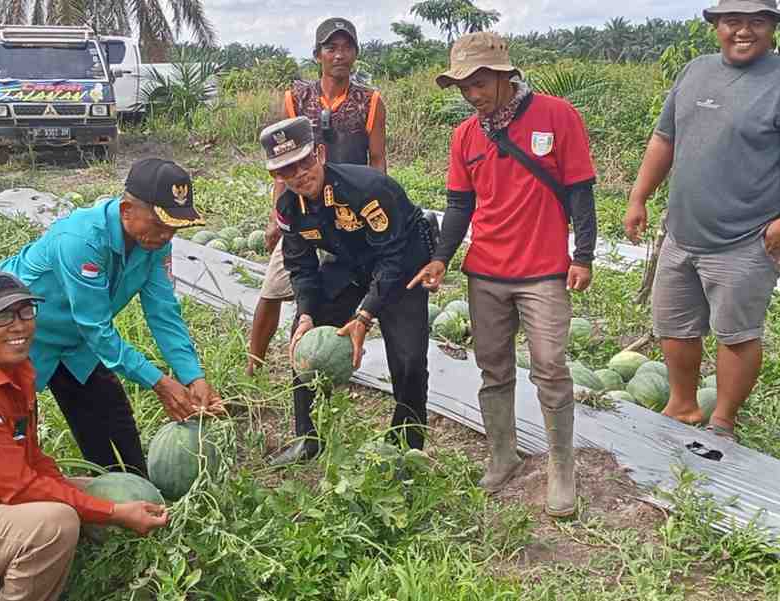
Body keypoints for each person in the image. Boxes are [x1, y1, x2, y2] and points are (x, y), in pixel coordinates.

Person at [624, 0, 780, 442]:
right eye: (733, 21)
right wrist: (638, 195)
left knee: (736, 333)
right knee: (673, 325)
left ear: (772, 28)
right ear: (717, 27)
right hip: (682, 231)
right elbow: (664, 138)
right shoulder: (695, 72)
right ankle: (683, 405)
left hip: (745, 238)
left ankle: (722, 421)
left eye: (757, 22)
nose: (744, 31)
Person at [409, 31, 599, 518]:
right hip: (486, 273)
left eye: (478, 83)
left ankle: (561, 468)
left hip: (543, 273)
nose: (471, 94)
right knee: (493, 368)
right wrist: (441, 257)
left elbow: (580, 190)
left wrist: (584, 255)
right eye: (463, 87)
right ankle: (503, 453)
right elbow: (459, 204)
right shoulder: (465, 136)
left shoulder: (557, 116)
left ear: (502, 74)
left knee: (551, 368)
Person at [0, 270, 169, 601]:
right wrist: (113, 513)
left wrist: (99, 501)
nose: (19, 325)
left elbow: (32, 459)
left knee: (93, 489)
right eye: (2, 316)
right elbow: (20, 486)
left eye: (26, 311)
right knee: (57, 522)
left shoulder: (16, 368)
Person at [0, 158, 224, 478]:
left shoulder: (154, 246)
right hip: (22, 335)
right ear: (126, 210)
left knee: (111, 413)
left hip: (75, 339)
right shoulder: (81, 240)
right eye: (159, 225)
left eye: (173, 227)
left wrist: (192, 376)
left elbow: (163, 313)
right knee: (13, 425)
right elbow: (97, 329)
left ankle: (134, 489)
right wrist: (158, 382)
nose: (165, 236)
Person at [261, 115, 435, 466]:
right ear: (276, 176)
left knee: (409, 359)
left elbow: (391, 257)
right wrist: (308, 313)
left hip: (402, 259)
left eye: (304, 162)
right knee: (303, 340)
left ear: (320, 154)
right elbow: (301, 266)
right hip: (349, 262)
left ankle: (406, 447)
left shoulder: (368, 188)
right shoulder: (289, 209)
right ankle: (308, 438)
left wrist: (364, 315)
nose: (298, 175)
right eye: (285, 170)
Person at [247, 16, 389, 376]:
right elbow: (283, 164)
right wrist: (275, 219)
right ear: (317, 55)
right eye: (331, 48)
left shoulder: (370, 101)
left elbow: (377, 161)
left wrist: (378, 211)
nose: (339, 55)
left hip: (350, 213)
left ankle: (333, 356)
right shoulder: (297, 97)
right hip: (304, 208)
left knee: (349, 288)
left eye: (347, 47)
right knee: (276, 286)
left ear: (356, 54)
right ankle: (255, 365)